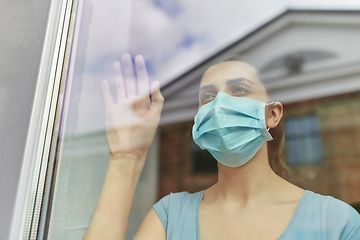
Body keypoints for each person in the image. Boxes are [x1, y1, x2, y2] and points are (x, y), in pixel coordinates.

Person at [84, 53, 360, 240]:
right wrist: (125, 159)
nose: (219, 105)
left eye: (239, 89)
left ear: (272, 114)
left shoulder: (336, 222)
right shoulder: (170, 217)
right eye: (208, 96)